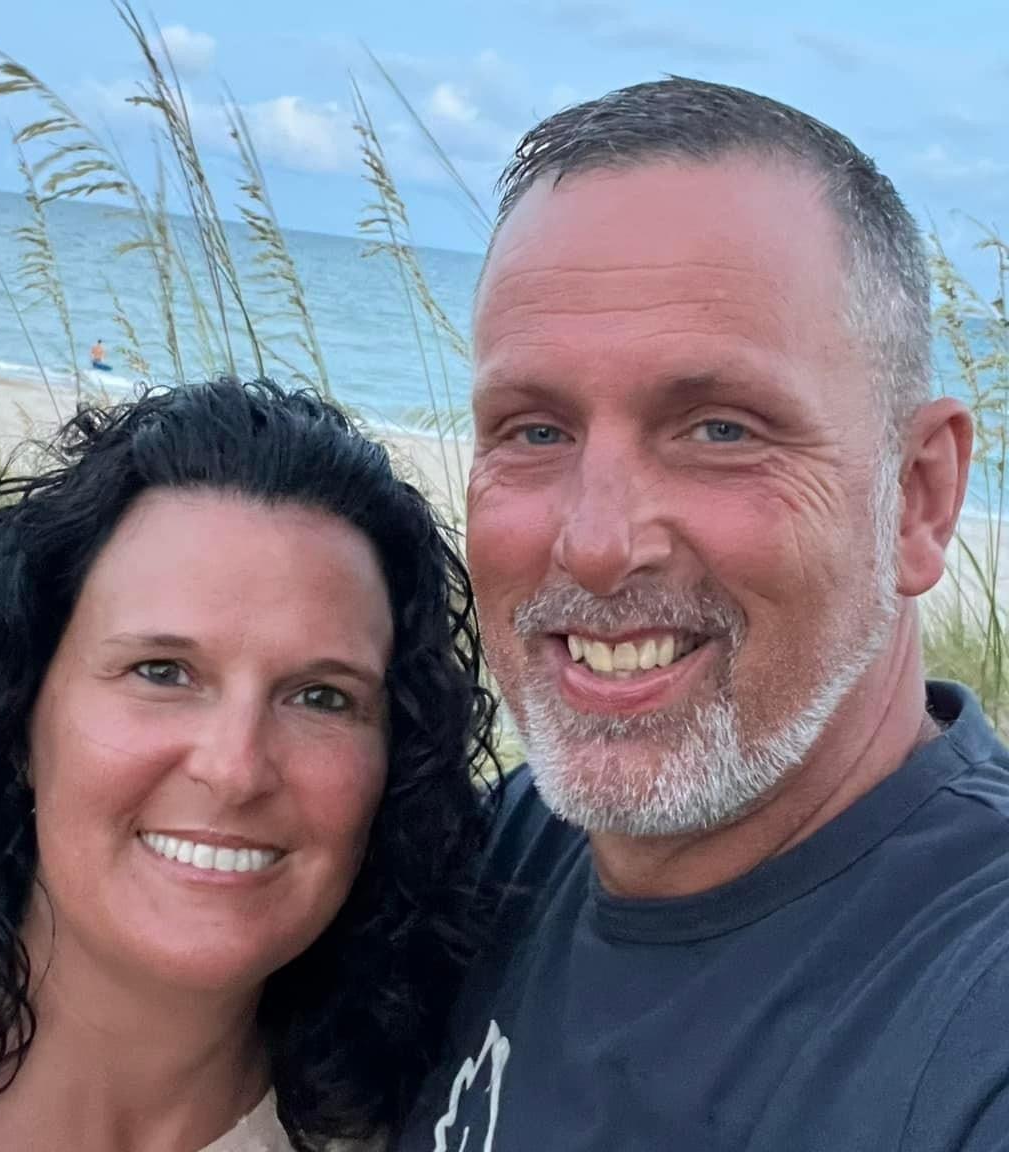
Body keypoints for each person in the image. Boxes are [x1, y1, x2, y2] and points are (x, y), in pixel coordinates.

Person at [396, 78, 1009, 1151]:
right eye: (535, 431)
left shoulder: (971, 1009)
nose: (596, 542)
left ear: (917, 498)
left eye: (721, 430)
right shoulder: (501, 856)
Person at [0, 377, 497, 1151]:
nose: (235, 769)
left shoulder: (440, 1127)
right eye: (162, 672)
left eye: (322, 697)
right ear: (17, 715)